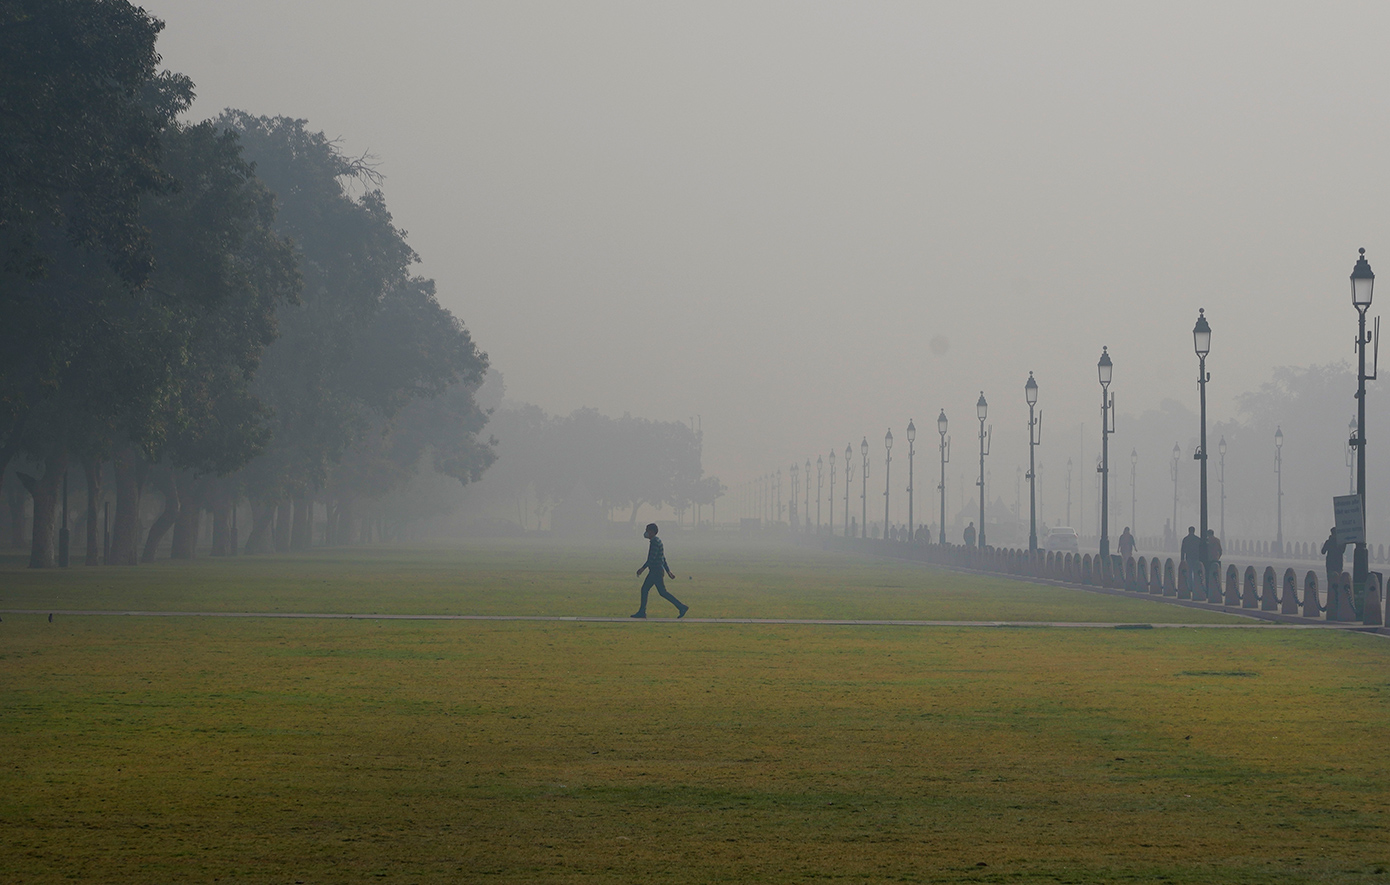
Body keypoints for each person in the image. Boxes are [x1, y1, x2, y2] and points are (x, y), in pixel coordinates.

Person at [631, 523, 687, 619]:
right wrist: (668, 571)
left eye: (647, 530)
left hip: (655, 572)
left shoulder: (654, 542)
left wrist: (642, 568)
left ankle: (681, 607)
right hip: (657, 570)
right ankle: (642, 611)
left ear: (652, 532)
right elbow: (662, 558)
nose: (646, 532)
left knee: (656, 591)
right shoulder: (658, 541)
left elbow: (651, 558)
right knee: (652, 590)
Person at [1322, 526, 1344, 609]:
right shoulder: (1340, 542)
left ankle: (1331, 601)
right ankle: (1338, 601)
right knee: (1338, 582)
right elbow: (1342, 551)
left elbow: (1323, 552)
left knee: (1331, 583)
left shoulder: (1328, 541)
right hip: (1338, 564)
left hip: (1330, 564)